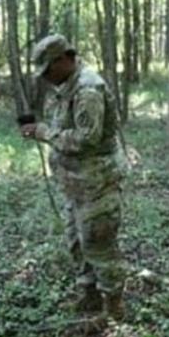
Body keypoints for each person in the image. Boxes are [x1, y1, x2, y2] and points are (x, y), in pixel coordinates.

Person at [20, 34, 127, 321]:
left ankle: (113, 307)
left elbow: (86, 139)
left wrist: (45, 133)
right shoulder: (65, 88)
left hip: (97, 184)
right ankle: (88, 297)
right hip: (75, 185)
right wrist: (41, 133)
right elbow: (63, 130)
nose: (45, 78)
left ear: (64, 59)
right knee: (77, 244)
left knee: (99, 246)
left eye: (48, 70)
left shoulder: (88, 88)